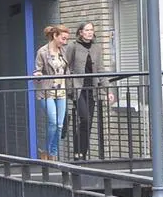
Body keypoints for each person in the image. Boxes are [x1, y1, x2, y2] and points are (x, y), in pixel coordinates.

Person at [64, 21, 113, 161]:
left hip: (92, 89)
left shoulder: (97, 48)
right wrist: (69, 86)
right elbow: (66, 67)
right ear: (81, 32)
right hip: (78, 89)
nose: (90, 32)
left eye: (91, 30)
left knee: (89, 122)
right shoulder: (73, 46)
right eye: (87, 30)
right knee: (84, 118)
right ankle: (77, 151)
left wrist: (108, 90)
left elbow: (100, 70)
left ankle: (82, 154)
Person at [33, 25, 70, 161]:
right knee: (53, 122)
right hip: (46, 91)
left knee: (60, 125)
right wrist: (38, 73)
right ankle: (48, 151)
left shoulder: (64, 51)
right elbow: (38, 69)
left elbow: (67, 69)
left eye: (66, 39)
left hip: (61, 92)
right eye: (63, 38)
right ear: (55, 36)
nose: (64, 42)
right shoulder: (42, 52)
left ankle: (51, 153)